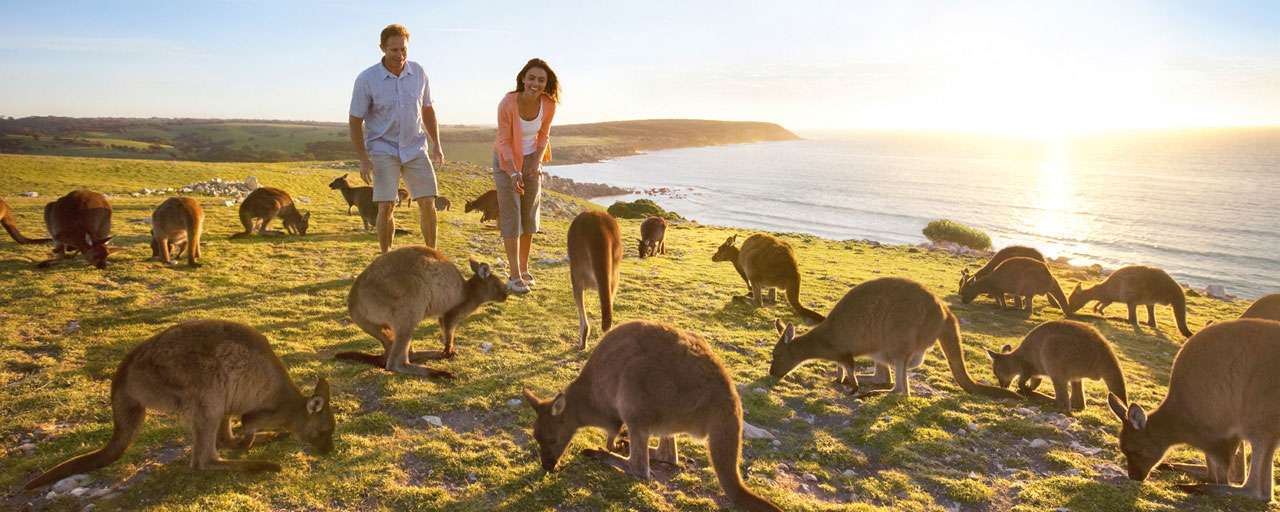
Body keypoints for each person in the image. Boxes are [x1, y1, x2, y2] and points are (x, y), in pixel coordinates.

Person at [348, 23, 444, 253]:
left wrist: (437, 144)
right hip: (383, 149)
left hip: (415, 147)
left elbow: (427, 110)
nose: (400, 55)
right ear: (382, 48)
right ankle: (386, 257)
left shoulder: (419, 73)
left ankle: (431, 256)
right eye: (394, 50)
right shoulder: (367, 79)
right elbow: (355, 120)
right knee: (386, 205)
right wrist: (363, 159)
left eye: (404, 49)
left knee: (428, 202)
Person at [494, 58, 558, 294]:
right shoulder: (507, 103)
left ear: (546, 83)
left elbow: (544, 136)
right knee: (512, 214)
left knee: (529, 215)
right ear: (523, 79)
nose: (535, 83)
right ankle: (514, 275)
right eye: (531, 78)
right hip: (506, 160)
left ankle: (524, 267)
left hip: (532, 159)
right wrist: (513, 171)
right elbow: (503, 141)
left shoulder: (549, 104)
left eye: (541, 80)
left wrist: (537, 162)